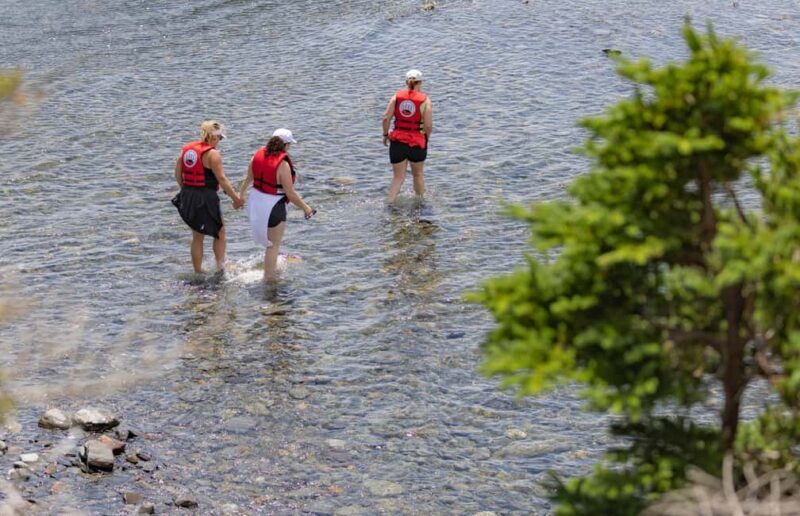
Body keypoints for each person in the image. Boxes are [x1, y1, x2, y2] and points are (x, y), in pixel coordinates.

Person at [239, 128, 315, 281]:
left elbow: (248, 179)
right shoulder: (283, 165)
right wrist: (306, 208)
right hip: (273, 205)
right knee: (273, 245)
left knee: (268, 244)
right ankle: (269, 280)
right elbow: (290, 193)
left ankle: (269, 271)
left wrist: (239, 197)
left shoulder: (257, 155)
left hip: (255, 202)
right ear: (285, 145)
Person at [172, 120, 243, 273]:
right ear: (213, 137)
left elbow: (178, 173)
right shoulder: (213, 154)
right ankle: (220, 266)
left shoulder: (186, 150)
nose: (219, 141)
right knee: (220, 232)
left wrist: (184, 190)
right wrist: (236, 199)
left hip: (188, 193)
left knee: (197, 236)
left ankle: (198, 271)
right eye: (220, 138)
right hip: (205, 196)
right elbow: (222, 180)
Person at [382, 68, 433, 203]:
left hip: (398, 141)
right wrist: (426, 138)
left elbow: (386, 118)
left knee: (398, 177)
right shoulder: (425, 101)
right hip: (417, 142)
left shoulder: (396, 97)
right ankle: (421, 204)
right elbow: (428, 126)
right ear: (420, 83)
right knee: (418, 175)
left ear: (406, 82)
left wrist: (385, 134)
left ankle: (389, 204)